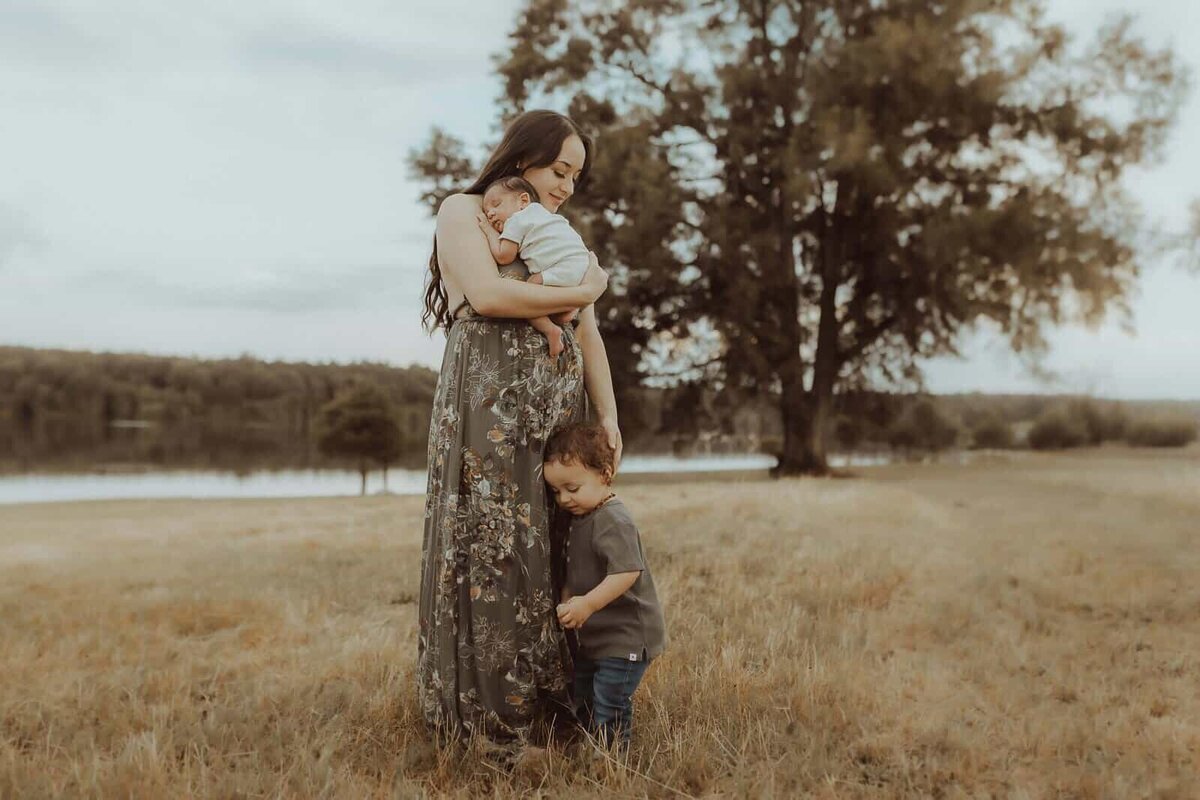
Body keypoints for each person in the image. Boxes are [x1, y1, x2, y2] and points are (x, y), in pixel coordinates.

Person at [416, 110, 624, 766]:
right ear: (520, 161)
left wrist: (610, 418)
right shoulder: (465, 210)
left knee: (558, 546)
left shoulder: (547, 230)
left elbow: (586, 330)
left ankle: (556, 714)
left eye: (575, 176)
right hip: (488, 409)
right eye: (558, 169)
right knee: (490, 549)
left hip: (554, 409)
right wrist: (584, 286)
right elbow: (486, 293)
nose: (566, 185)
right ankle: (485, 725)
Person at [544, 423, 667, 750]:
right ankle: (591, 744)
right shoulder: (580, 517)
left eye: (572, 488)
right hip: (598, 637)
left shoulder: (613, 518)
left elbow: (626, 572)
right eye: (556, 492)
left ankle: (612, 761)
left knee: (610, 700)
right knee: (584, 692)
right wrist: (569, 596)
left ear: (605, 474)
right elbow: (578, 567)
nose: (564, 499)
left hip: (627, 635)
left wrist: (587, 605)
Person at [475, 176, 591, 359]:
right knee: (559, 315)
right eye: (487, 211)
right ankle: (568, 312)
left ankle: (551, 331)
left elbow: (504, 256)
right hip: (580, 265)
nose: (490, 214)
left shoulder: (517, 220)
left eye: (496, 204)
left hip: (562, 266)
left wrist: (488, 231)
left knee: (528, 293)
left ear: (523, 200)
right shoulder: (544, 215)